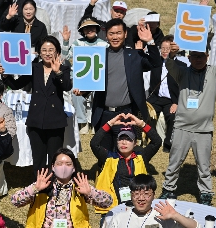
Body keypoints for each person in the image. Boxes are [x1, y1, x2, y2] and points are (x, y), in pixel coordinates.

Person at [159, 26, 216, 206]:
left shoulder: (215, 72)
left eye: (201, 56)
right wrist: (172, 53)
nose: (198, 59)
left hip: (203, 129)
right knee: (174, 162)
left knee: (204, 165)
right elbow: (169, 64)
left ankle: (205, 193)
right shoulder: (182, 73)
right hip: (182, 126)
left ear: (207, 56)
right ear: (189, 57)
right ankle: (168, 189)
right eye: (195, 56)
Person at [12, 149, 112, 228]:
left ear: (74, 168)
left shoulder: (79, 186)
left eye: (68, 164)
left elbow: (107, 202)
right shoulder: (43, 185)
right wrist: (35, 188)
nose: (63, 167)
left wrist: (90, 192)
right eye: (59, 163)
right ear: (53, 167)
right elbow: (15, 201)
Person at [0, 36, 72, 172]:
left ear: (57, 52)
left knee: (54, 158)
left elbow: (67, 86)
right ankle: (39, 184)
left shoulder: (64, 69)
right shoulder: (34, 68)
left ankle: (54, 183)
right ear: (39, 52)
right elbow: (16, 85)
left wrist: (58, 72)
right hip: (36, 120)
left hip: (55, 121)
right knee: (38, 159)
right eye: (44, 50)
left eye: (51, 50)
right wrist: (5, 76)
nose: (47, 53)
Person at [88, 19, 161, 151]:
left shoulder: (135, 55)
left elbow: (155, 64)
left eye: (118, 33)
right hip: (103, 113)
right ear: (106, 35)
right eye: (111, 33)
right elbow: (90, 81)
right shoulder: (98, 56)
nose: (115, 37)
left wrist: (150, 42)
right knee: (103, 154)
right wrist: (82, 91)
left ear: (125, 34)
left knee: (124, 153)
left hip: (126, 114)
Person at [91, 114, 161, 215]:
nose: (124, 142)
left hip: (138, 204)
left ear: (135, 143)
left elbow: (157, 141)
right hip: (114, 206)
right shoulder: (109, 158)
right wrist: (110, 123)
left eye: (128, 139)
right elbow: (94, 143)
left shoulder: (141, 157)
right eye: (121, 139)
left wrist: (141, 124)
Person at [61, 16, 108, 134]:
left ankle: (95, 122)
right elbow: (64, 59)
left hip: (97, 79)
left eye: (92, 27)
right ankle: (82, 122)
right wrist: (66, 41)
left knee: (99, 94)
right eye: (86, 28)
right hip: (80, 79)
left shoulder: (104, 45)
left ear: (97, 29)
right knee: (76, 93)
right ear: (82, 31)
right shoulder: (78, 43)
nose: (89, 30)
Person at [146, 36, 181, 152]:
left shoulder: (180, 65)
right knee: (146, 114)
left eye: (168, 48)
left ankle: (168, 144)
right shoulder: (155, 63)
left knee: (172, 116)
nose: (165, 51)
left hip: (171, 100)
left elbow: (182, 87)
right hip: (155, 98)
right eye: (163, 48)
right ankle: (153, 140)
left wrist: (176, 103)